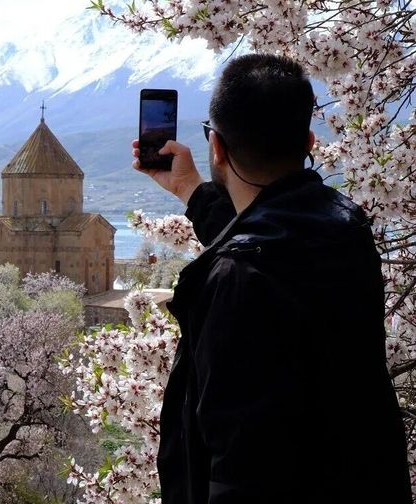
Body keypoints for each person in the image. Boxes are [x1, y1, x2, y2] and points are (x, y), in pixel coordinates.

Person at [131, 54, 411, 503]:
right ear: (310, 142)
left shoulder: (237, 280)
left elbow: (240, 469)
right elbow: (264, 231)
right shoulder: (344, 228)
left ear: (217, 147)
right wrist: (189, 190)